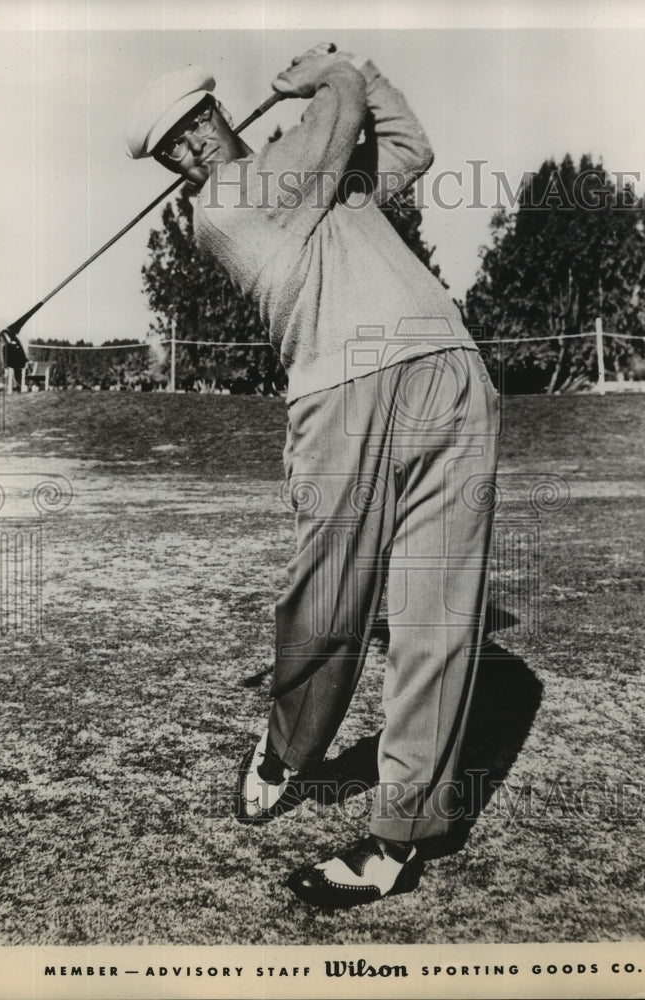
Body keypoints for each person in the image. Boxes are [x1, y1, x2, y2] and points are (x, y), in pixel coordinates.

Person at [126, 43, 499, 909]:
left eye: (194, 126)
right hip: (341, 389)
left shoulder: (320, 177)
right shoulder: (222, 208)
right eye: (170, 148)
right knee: (326, 601)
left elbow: (407, 150)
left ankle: (397, 837)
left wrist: (367, 76)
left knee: (436, 620)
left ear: (219, 112)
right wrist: (331, 79)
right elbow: (333, 131)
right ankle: (287, 749)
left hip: (448, 368)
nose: (190, 150)